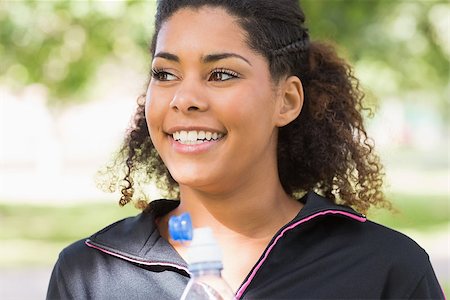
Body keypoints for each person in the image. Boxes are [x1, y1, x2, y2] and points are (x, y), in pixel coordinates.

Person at [47, 0, 445, 299]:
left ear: (286, 100)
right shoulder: (91, 274)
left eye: (221, 74)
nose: (184, 98)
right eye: (164, 74)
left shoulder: (385, 269)